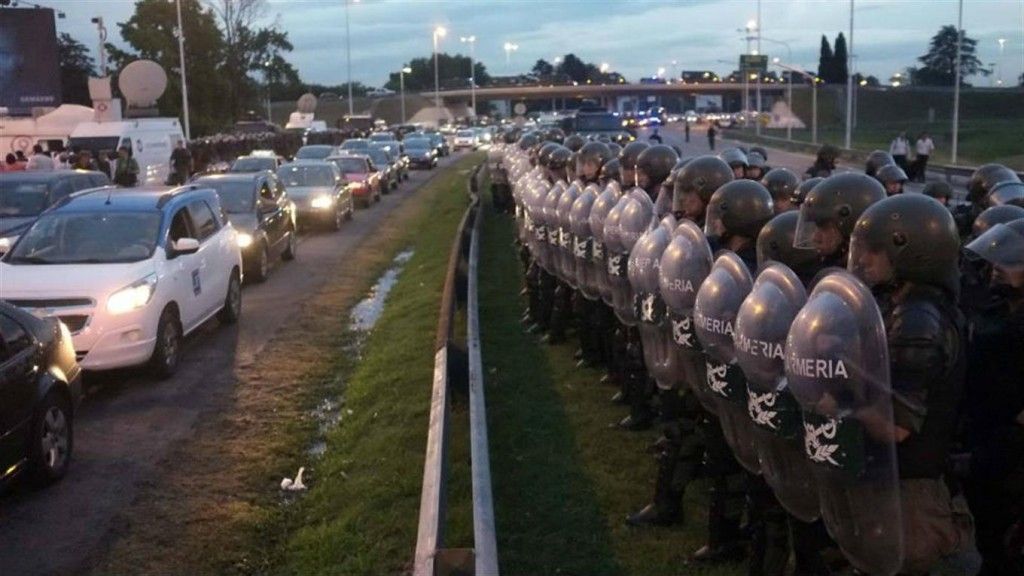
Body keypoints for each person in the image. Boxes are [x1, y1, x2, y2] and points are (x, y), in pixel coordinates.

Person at [848, 194, 980, 575]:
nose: (863, 261)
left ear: (910, 253)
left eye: (874, 252)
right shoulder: (904, 305)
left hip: (914, 496)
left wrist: (839, 400)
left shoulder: (918, 320)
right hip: (899, 484)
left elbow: (895, 427)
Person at [963, 218, 1024, 576]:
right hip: (986, 444)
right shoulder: (998, 311)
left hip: (1011, 457)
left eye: (1012, 262)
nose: (998, 269)